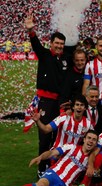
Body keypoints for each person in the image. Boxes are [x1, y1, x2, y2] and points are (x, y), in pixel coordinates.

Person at [25, 13, 73, 176]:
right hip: (45, 102)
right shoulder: (44, 55)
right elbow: (35, 44)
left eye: (61, 44)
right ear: (51, 44)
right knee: (44, 137)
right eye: (57, 43)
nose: (59, 46)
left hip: (60, 103)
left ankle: (54, 166)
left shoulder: (67, 59)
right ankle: (41, 168)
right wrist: (31, 30)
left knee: (58, 136)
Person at [0, 131, 99, 186]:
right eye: (89, 138)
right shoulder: (71, 147)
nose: (91, 141)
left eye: (94, 139)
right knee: (41, 185)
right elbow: (52, 152)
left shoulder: (90, 161)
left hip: (65, 184)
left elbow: (87, 179)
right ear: (84, 139)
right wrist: (40, 157)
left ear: (96, 143)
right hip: (54, 173)